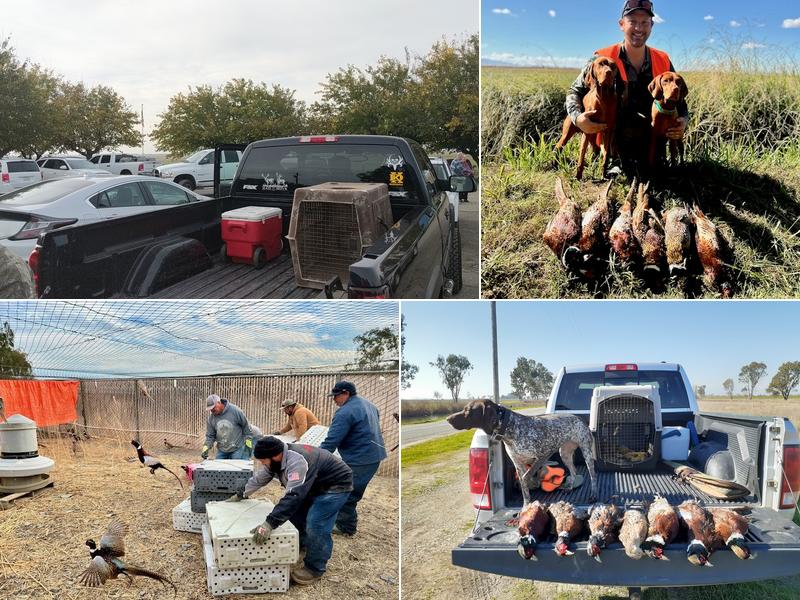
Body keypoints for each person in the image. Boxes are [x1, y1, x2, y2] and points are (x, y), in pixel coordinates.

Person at [565, 0, 687, 175]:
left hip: (652, 144)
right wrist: (578, 119)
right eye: (632, 22)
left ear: (652, 25)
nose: (639, 28)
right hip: (611, 142)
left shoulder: (663, 59)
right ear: (621, 24)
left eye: (644, 22)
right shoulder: (603, 57)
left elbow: (680, 98)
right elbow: (575, 91)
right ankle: (612, 160)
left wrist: (684, 120)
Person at [228, 436, 353, 586]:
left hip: (335, 486)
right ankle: (303, 545)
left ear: (275, 456)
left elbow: (294, 495)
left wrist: (269, 523)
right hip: (314, 483)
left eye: (263, 460)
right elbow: (258, 479)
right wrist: (240, 495)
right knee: (296, 516)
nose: (262, 464)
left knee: (316, 524)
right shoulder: (276, 461)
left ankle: (314, 568)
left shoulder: (297, 462)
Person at [320, 381, 387, 536]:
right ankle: (343, 520)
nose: (334, 400)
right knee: (349, 489)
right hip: (373, 456)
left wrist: (316, 458)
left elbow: (331, 441)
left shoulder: (345, 412)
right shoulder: (370, 405)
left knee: (347, 491)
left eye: (336, 396)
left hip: (360, 459)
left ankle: (346, 527)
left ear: (346, 393)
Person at [201, 394, 254, 460]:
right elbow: (210, 436)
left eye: (213, 407)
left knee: (236, 469)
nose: (212, 410)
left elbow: (246, 427)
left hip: (237, 449)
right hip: (222, 450)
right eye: (210, 409)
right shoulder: (211, 419)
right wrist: (206, 447)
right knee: (219, 469)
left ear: (219, 403)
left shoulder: (235, 411)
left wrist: (248, 444)